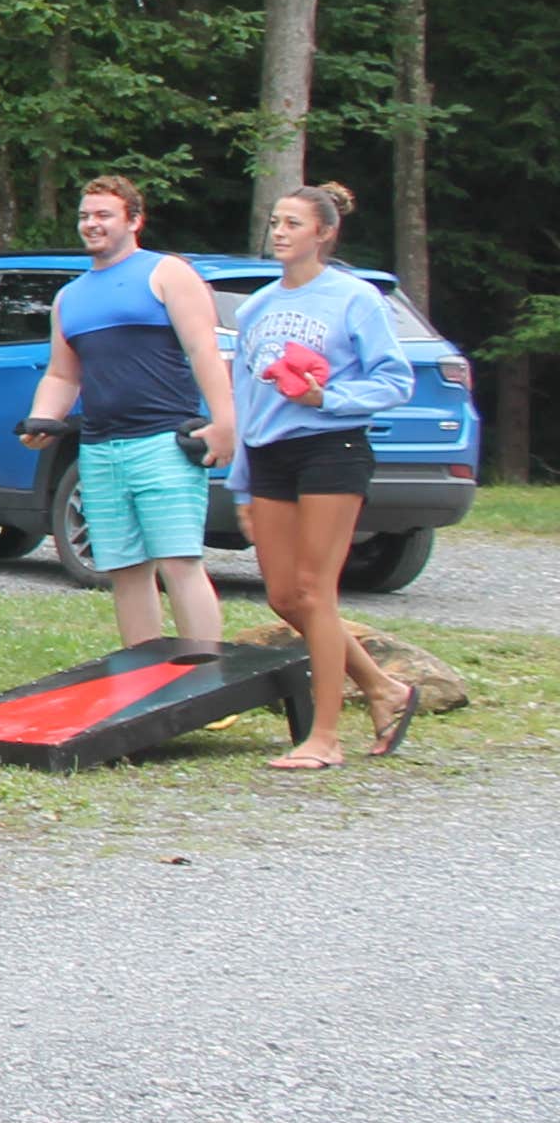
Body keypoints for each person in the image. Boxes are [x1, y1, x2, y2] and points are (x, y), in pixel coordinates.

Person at [231, 180, 419, 772]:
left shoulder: (354, 298)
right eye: (276, 223)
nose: (280, 232)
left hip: (330, 448)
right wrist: (241, 481)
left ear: (325, 233)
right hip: (269, 456)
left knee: (317, 590)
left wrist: (327, 396)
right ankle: (385, 689)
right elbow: (245, 399)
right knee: (286, 597)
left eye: (293, 223)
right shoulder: (256, 306)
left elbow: (395, 381)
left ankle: (326, 738)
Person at [21, 173, 234, 653]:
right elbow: (62, 375)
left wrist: (224, 422)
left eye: (103, 215)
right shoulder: (70, 297)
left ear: (135, 220)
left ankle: (205, 678)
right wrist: (41, 419)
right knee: (125, 569)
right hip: (100, 449)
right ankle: (144, 680)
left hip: (163, 443)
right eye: (84, 216)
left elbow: (203, 347)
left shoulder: (166, 273)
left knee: (178, 561)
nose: (91, 225)